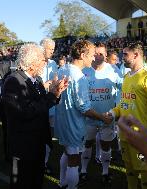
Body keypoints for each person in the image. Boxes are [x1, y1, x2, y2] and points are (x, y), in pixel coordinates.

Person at [2, 44, 68, 189]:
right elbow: (25, 111)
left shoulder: (36, 79)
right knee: (22, 183)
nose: (45, 63)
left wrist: (55, 93)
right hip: (23, 146)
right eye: (42, 60)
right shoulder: (13, 81)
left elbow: (42, 106)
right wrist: (51, 95)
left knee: (37, 181)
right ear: (32, 62)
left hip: (38, 143)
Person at [54, 40, 112, 189]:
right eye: (91, 55)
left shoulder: (62, 69)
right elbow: (84, 108)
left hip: (62, 122)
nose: (93, 58)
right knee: (74, 159)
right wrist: (102, 118)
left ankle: (62, 183)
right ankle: (71, 187)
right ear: (82, 55)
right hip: (73, 124)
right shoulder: (79, 77)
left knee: (66, 153)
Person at [109, 42, 147, 189]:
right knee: (130, 170)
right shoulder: (127, 76)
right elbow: (124, 103)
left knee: (146, 171)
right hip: (124, 133)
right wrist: (113, 112)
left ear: (136, 55)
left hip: (141, 136)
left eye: (125, 54)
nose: (122, 57)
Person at [80, 42, 123, 185]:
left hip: (107, 118)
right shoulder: (84, 70)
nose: (98, 56)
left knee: (106, 145)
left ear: (106, 55)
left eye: (101, 54)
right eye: (95, 53)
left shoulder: (113, 70)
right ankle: (83, 171)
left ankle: (105, 172)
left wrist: (117, 108)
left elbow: (123, 88)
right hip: (89, 117)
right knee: (87, 143)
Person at [40, 38, 58, 174]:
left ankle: (45, 162)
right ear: (42, 48)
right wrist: (43, 86)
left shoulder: (53, 64)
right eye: (49, 48)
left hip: (51, 104)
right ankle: (37, 161)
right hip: (38, 104)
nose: (52, 51)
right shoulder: (35, 63)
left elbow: (55, 80)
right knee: (38, 134)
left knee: (49, 135)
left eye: (53, 49)